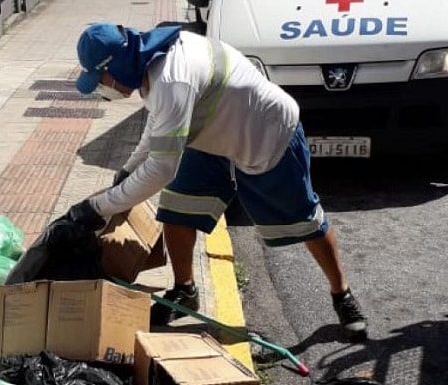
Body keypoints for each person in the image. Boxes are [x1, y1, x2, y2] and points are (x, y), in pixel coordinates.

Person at [68, 23, 368, 341]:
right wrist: (129, 169)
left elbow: (160, 168)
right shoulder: (150, 63)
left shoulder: (173, 77)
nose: (103, 89)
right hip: (210, 134)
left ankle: (342, 295)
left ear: (113, 67)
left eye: (99, 80)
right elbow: (158, 121)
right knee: (176, 208)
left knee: (305, 221)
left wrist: (97, 206)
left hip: (266, 134)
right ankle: (185, 290)